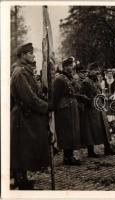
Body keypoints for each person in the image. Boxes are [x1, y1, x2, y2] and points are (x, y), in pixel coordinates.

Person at [11, 43, 49, 189]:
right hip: (22, 115)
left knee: (24, 148)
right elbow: (29, 98)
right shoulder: (20, 73)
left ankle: (23, 179)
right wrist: (46, 107)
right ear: (22, 55)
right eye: (30, 53)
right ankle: (21, 181)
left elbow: (35, 93)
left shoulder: (24, 71)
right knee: (21, 148)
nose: (33, 55)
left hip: (25, 114)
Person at [50, 57, 81, 165]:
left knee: (72, 132)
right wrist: (52, 108)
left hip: (71, 108)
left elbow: (76, 91)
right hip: (64, 109)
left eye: (71, 66)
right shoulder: (60, 79)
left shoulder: (70, 78)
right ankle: (67, 157)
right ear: (64, 67)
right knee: (66, 133)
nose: (70, 68)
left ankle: (70, 156)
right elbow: (55, 96)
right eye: (68, 66)